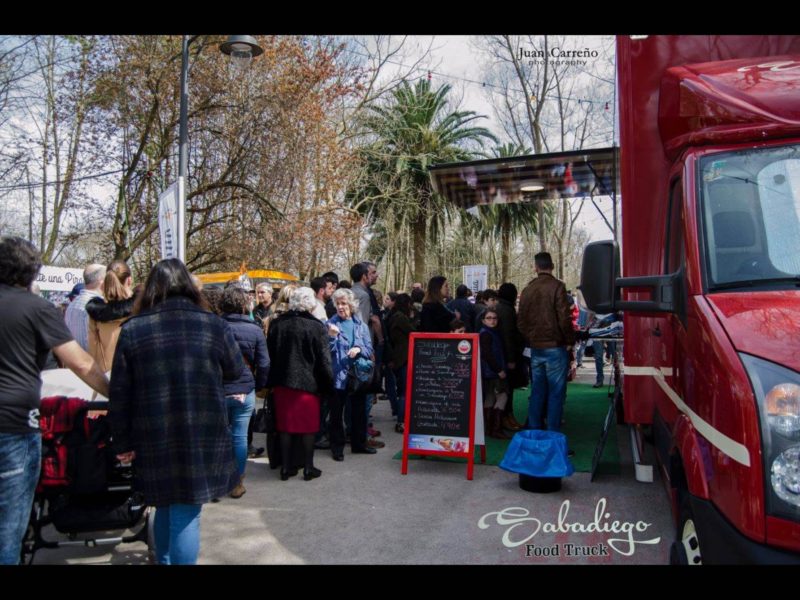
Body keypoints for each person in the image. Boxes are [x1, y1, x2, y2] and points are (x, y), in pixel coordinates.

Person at [108, 259, 244, 565]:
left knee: (166, 505)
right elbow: (235, 369)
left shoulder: (133, 329)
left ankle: (165, 560)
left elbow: (120, 393)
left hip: (152, 432)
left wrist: (123, 443)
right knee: (185, 512)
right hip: (202, 429)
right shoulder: (214, 324)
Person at [0, 237, 109, 564]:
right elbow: (80, 363)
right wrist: (117, 394)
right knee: (9, 525)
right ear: (33, 272)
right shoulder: (36, 308)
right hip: (15, 425)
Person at [266, 287, 334, 480]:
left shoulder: (277, 324)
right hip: (308, 385)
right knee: (309, 427)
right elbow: (324, 361)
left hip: (282, 382)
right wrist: (329, 385)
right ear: (310, 302)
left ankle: (286, 467)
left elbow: (270, 354)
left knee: (285, 426)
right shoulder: (316, 327)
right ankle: (308, 466)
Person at [517, 252, 575, 433]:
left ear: (536, 267)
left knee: (537, 393)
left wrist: (532, 338)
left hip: (536, 348)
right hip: (555, 348)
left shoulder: (527, 289)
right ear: (552, 266)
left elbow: (520, 321)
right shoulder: (558, 287)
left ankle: (534, 434)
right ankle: (553, 437)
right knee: (556, 394)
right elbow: (564, 318)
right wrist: (569, 341)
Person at [220, 286, 270, 499]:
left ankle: (218, 481)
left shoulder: (215, 327)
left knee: (219, 437)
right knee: (239, 437)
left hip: (218, 389)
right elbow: (264, 363)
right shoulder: (255, 330)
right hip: (244, 388)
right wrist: (258, 385)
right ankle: (238, 481)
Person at [326, 288, 375, 458]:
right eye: (338, 304)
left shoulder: (360, 325)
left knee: (359, 412)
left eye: (343, 303)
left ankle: (359, 444)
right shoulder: (330, 325)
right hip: (338, 375)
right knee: (337, 414)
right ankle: (337, 448)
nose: (340, 307)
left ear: (351, 305)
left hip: (357, 375)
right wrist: (332, 337)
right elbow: (325, 351)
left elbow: (369, 349)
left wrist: (358, 348)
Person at [86, 260, 136, 373]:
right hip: (138, 376)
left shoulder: (95, 312)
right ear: (129, 280)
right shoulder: (143, 307)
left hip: (109, 377)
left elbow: (93, 350)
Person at [495, 283, 526, 431]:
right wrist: (511, 359)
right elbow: (508, 336)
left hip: (502, 354)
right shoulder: (507, 311)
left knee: (507, 389)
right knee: (507, 389)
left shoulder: (501, 308)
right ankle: (506, 418)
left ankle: (508, 417)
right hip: (507, 356)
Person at [478, 309, 511, 439]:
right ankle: (495, 428)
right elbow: (487, 354)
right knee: (502, 396)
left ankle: (489, 428)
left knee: (490, 397)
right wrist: (499, 370)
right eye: (489, 318)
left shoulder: (489, 332)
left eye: (494, 318)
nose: (492, 320)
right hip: (493, 371)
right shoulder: (487, 334)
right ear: (483, 320)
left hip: (489, 371)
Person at [386, 293, 414, 434]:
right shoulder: (401, 318)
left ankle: (401, 419)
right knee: (404, 391)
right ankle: (401, 421)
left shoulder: (393, 316)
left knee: (402, 390)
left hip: (398, 357)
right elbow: (413, 332)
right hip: (403, 357)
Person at [64, 263, 106, 351]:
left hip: (75, 361)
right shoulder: (97, 306)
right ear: (102, 281)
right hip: (91, 362)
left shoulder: (72, 304)